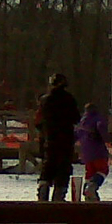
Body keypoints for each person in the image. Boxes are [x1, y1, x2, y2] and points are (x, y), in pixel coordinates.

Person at [35, 73, 79, 202]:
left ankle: (42, 192)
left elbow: (38, 121)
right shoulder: (69, 99)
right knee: (63, 168)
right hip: (65, 139)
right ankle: (59, 197)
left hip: (49, 139)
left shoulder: (44, 100)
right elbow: (76, 118)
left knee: (48, 165)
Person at [74, 102, 111, 201]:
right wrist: (108, 138)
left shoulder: (81, 121)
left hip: (86, 152)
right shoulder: (97, 118)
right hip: (97, 150)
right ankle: (91, 187)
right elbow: (101, 129)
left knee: (90, 172)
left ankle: (87, 192)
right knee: (102, 170)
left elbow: (75, 135)